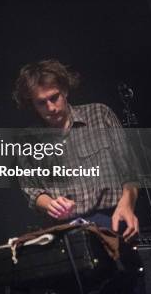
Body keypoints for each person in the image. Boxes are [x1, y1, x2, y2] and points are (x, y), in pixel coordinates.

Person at [12, 59, 140, 241]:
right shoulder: (28, 140)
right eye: (41, 103)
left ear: (64, 90)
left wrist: (127, 204)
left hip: (112, 219)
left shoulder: (99, 114)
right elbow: (32, 191)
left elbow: (131, 172)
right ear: (32, 103)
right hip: (66, 230)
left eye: (54, 97)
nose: (51, 107)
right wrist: (50, 204)